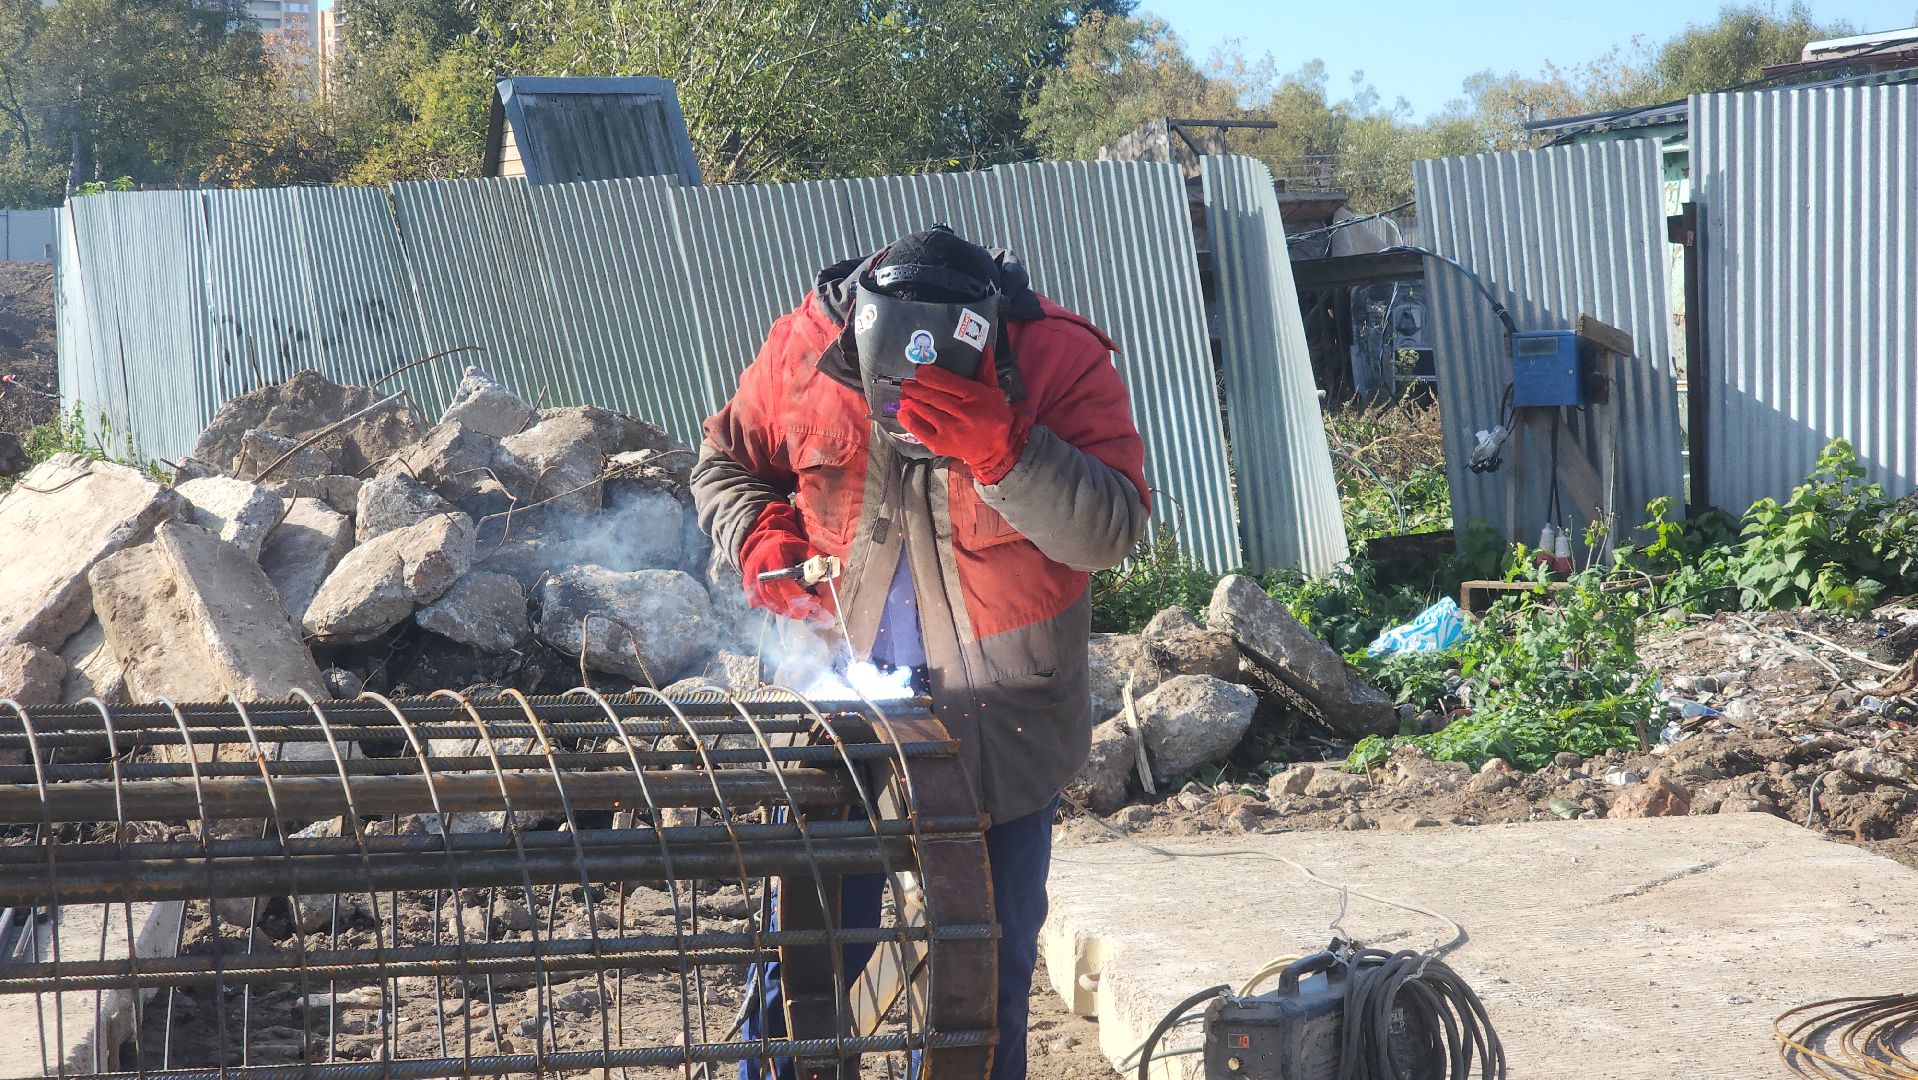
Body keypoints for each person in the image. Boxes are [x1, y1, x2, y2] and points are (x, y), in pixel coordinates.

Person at [691, 224, 1149, 1080]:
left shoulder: (1058, 358)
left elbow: (1112, 531)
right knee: (804, 960)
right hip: (841, 719)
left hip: (1001, 728)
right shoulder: (805, 346)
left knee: (984, 974)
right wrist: (760, 534)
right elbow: (723, 463)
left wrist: (1007, 452)